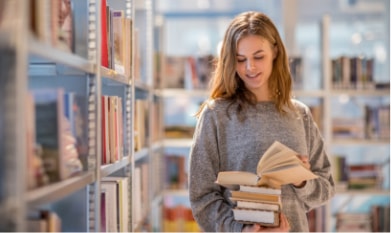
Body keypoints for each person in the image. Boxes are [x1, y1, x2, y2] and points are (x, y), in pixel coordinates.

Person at [188, 11, 335, 232]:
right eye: (240, 60)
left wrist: (301, 181)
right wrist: (242, 230)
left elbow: (326, 188)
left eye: (258, 57)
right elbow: (202, 198)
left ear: (275, 52)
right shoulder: (215, 115)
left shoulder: (300, 114)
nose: (250, 68)